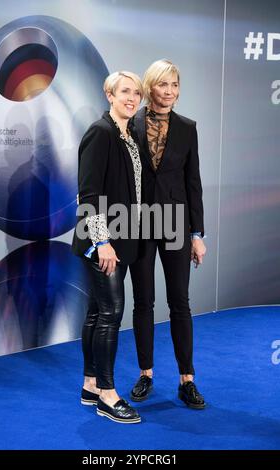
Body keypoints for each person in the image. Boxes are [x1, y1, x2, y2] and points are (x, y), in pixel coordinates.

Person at [129, 59, 207, 409]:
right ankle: (146, 374)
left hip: (176, 222)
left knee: (180, 303)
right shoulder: (129, 124)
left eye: (175, 85)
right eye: (164, 85)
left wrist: (198, 233)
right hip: (139, 223)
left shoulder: (188, 128)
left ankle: (186, 380)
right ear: (150, 87)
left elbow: (194, 184)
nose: (171, 92)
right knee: (143, 301)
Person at [72, 71, 143, 423]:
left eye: (137, 93)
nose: (132, 98)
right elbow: (88, 193)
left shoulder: (129, 135)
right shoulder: (101, 133)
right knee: (111, 314)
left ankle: (89, 385)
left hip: (122, 240)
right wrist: (102, 242)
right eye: (125, 91)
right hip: (103, 243)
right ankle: (108, 395)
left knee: (98, 313)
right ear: (109, 95)